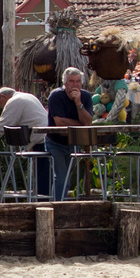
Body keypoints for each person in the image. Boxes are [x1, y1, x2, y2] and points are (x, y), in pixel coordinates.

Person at [45, 67, 93, 202]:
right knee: (61, 176)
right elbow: (59, 122)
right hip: (55, 143)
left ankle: (62, 203)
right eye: (71, 81)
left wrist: (78, 104)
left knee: (67, 177)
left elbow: (88, 122)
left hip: (74, 142)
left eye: (78, 81)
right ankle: (58, 206)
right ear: (65, 83)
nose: (75, 84)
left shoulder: (86, 96)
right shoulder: (56, 96)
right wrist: (81, 123)